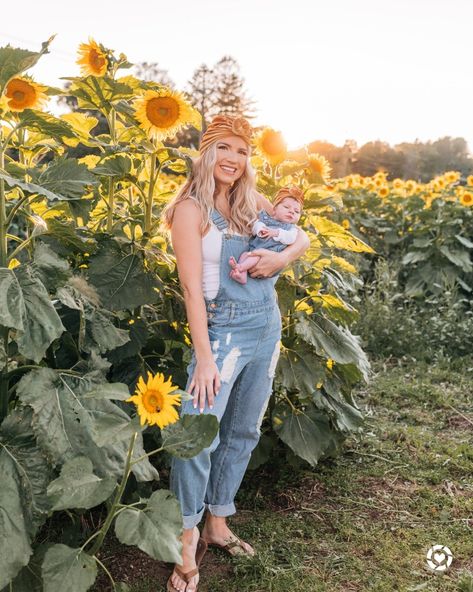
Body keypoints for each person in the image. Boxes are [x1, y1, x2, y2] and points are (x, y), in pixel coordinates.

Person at [162, 114, 310, 592]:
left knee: (243, 428)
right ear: (206, 153)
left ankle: (217, 521)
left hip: (266, 325)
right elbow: (190, 288)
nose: (233, 158)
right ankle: (185, 538)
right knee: (196, 435)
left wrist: (281, 257)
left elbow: (300, 234)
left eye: (243, 151)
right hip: (221, 334)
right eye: (224, 148)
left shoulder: (251, 202)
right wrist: (203, 357)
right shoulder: (191, 210)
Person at [229, 185, 304, 284]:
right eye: (286, 207)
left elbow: (290, 238)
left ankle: (240, 267)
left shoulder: (291, 229)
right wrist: (260, 229)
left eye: (296, 211)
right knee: (245, 255)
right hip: (255, 249)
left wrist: (276, 233)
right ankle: (242, 276)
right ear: (274, 209)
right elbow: (256, 224)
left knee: (255, 256)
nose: (291, 211)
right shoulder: (265, 218)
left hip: (268, 255)